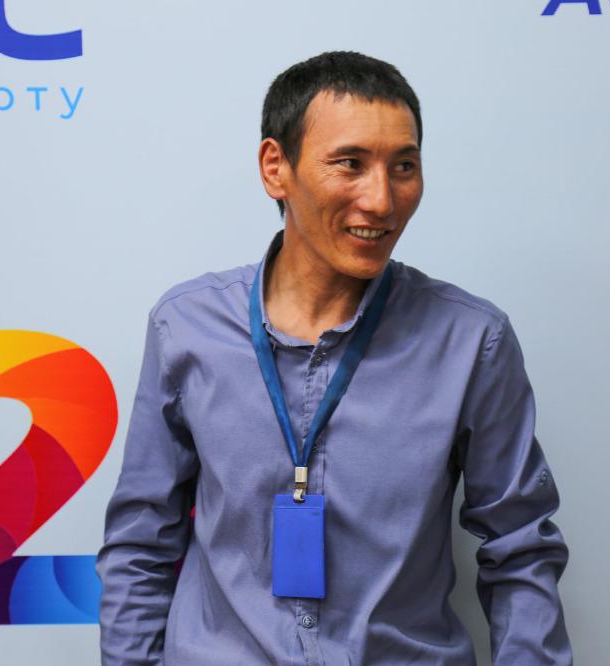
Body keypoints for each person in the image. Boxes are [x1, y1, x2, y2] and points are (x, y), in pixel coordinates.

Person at [97, 51, 572, 665]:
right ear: (276, 168)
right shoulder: (185, 327)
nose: (382, 200)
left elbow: (522, 549)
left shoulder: (471, 341)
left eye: (404, 166)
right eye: (350, 164)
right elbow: (141, 545)